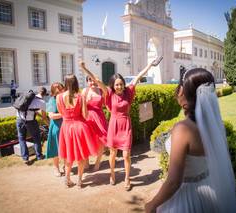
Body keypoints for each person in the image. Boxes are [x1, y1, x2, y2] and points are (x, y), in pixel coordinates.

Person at [145, 68, 236, 213]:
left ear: (183, 91)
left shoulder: (182, 129)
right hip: (209, 191)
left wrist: (152, 204)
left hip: (185, 197)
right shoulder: (215, 125)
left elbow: (173, 182)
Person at [79, 57, 162, 191]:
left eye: (121, 84)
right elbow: (98, 81)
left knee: (126, 155)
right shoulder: (109, 93)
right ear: (113, 85)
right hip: (114, 125)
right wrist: (84, 69)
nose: (119, 86)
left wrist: (149, 65)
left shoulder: (129, 92)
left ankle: (127, 178)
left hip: (126, 126)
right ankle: (112, 174)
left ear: (124, 84)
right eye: (117, 84)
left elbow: (139, 76)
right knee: (112, 154)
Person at [57, 74, 99, 188]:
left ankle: (67, 179)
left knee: (68, 154)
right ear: (76, 83)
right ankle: (80, 181)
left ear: (65, 83)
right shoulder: (80, 97)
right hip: (79, 127)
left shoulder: (59, 97)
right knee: (81, 155)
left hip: (66, 128)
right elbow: (85, 115)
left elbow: (61, 113)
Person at [16, 86, 49, 164]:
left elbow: (32, 110)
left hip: (19, 119)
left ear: (38, 92)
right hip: (30, 121)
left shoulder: (29, 97)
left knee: (21, 138)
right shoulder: (42, 102)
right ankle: (39, 155)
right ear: (44, 95)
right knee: (36, 137)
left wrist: (39, 115)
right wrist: (49, 125)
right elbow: (44, 118)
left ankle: (25, 158)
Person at [82, 76, 108, 172]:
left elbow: (106, 104)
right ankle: (86, 162)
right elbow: (80, 106)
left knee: (101, 140)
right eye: (90, 81)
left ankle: (98, 163)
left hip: (99, 118)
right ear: (87, 81)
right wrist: (86, 102)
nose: (92, 83)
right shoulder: (85, 91)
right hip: (88, 118)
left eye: (94, 81)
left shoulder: (101, 90)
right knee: (86, 140)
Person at [45, 82, 65, 177]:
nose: (60, 92)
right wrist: (65, 114)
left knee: (66, 148)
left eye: (61, 89)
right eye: (58, 91)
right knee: (55, 149)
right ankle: (56, 168)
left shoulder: (65, 99)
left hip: (65, 127)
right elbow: (51, 115)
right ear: (53, 92)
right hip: (56, 127)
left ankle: (66, 166)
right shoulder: (52, 100)